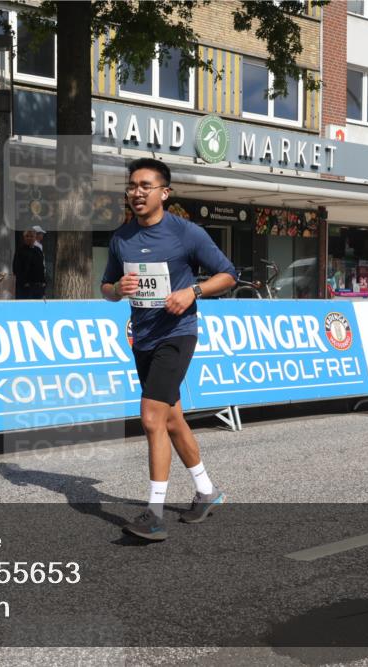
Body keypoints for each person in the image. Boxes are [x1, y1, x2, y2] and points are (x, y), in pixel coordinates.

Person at [101, 158, 237, 542]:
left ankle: (154, 513)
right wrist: (117, 290)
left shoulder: (186, 233)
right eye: (132, 186)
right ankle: (207, 492)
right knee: (172, 418)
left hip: (177, 334)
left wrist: (191, 291)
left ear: (164, 192)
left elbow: (229, 274)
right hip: (142, 337)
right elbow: (106, 288)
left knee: (150, 418)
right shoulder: (121, 237)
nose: (137, 193)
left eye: (145, 186)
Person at [13, 228, 47, 299]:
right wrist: (24, 283)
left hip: (38, 287)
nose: (29, 238)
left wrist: (43, 283)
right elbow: (16, 269)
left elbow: (41, 267)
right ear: (24, 238)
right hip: (24, 287)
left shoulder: (38, 251)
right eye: (27, 236)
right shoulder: (20, 251)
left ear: (35, 238)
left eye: (31, 236)